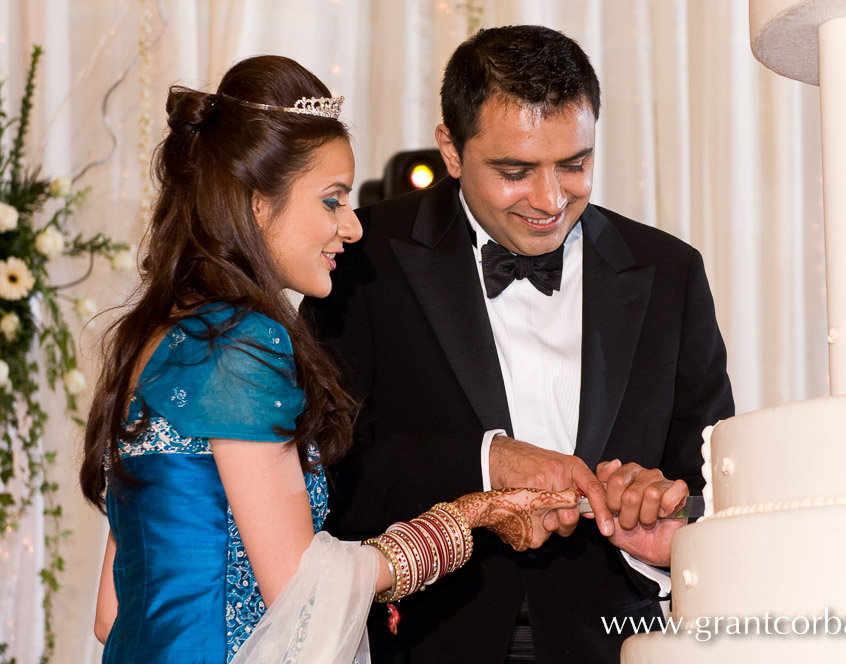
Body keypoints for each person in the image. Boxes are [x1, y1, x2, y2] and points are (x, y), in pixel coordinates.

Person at [78, 54, 579, 664]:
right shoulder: (242, 342)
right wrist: (463, 519)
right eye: (332, 200)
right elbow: (302, 591)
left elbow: (112, 613)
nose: (353, 226)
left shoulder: (157, 336)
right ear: (257, 204)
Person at [301, 25, 735, 664]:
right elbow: (321, 478)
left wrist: (664, 520)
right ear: (451, 149)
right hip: (421, 639)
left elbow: (713, 482)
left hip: (619, 642)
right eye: (515, 171)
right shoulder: (359, 260)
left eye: (575, 164)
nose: (550, 200)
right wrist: (484, 463)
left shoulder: (671, 272)